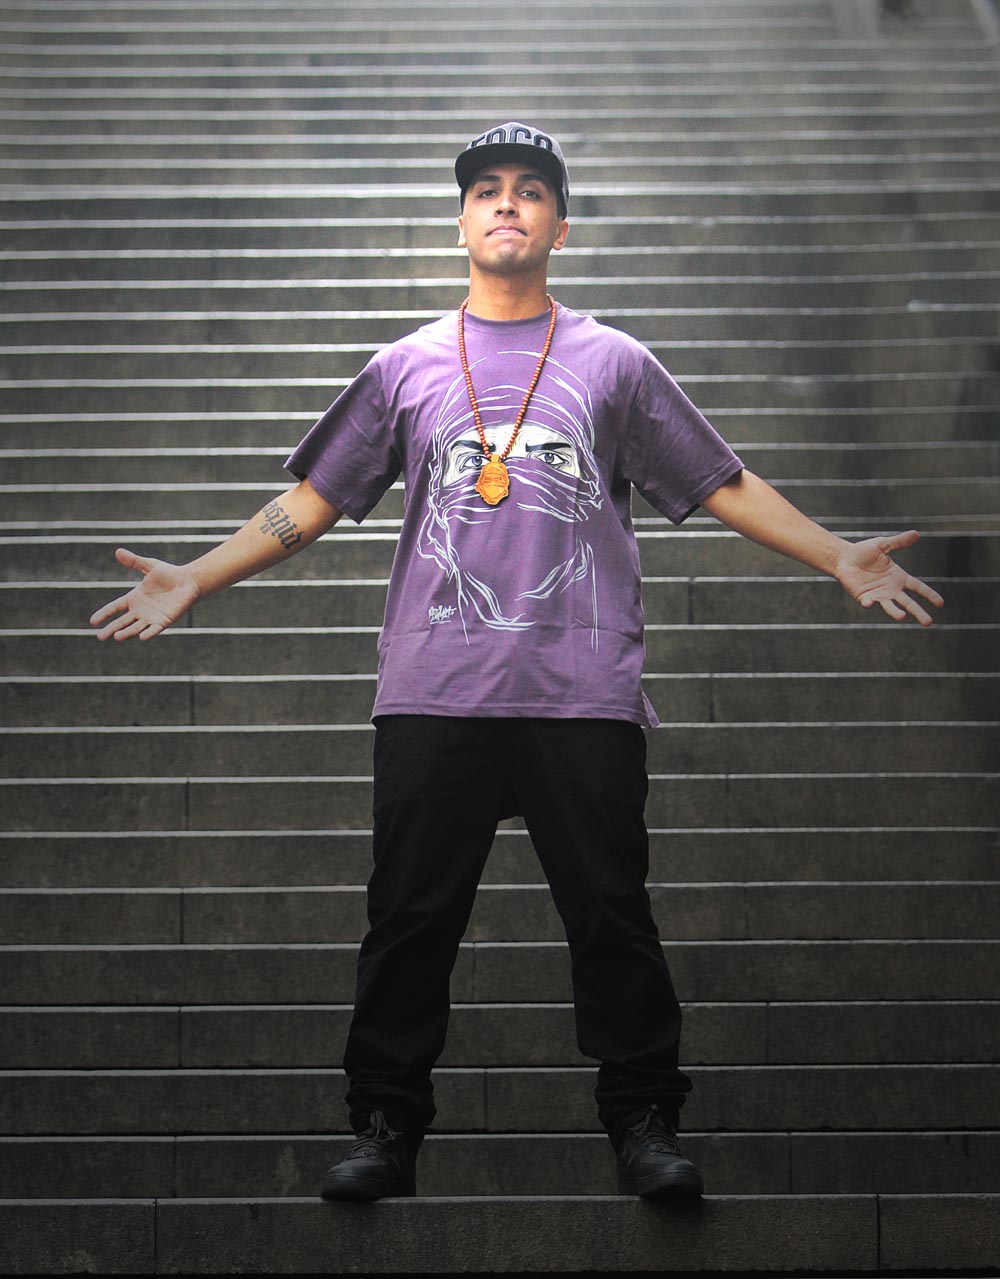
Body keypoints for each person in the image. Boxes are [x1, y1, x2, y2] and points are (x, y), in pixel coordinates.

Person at [91, 121, 944, 1202]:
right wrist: (197, 577)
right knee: (409, 920)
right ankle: (385, 1128)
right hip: (434, 689)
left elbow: (717, 480)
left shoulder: (613, 361)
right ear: (460, 221)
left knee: (612, 915)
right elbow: (311, 500)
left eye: (531, 189)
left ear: (560, 226)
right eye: (487, 188)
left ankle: (643, 1122)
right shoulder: (404, 365)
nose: (507, 202)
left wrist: (833, 553)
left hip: (580, 691)